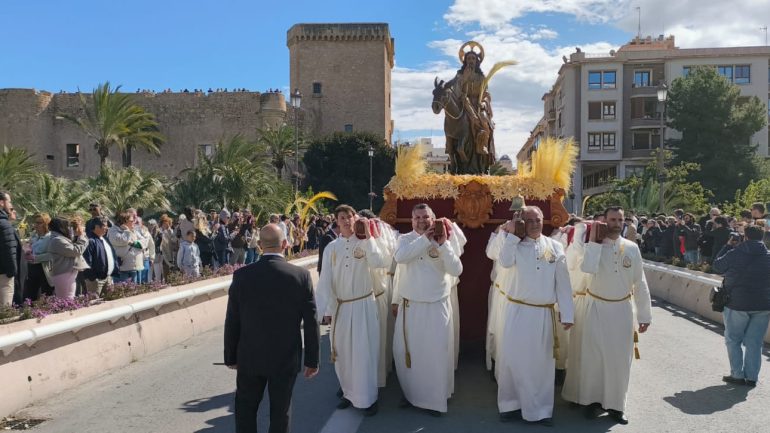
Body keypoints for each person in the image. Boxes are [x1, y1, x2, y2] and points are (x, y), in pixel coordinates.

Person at [224, 224, 320, 433]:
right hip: (285, 357)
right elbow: (311, 320)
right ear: (285, 244)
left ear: (259, 245)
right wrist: (312, 359)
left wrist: (230, 356)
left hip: (250, 355)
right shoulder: (301, 276)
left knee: (246, 408)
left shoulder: (242, 276)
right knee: (280, 411)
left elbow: (233, 320)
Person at [562, 206, 652, 425]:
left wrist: (644, 315)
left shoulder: (631, 247)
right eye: (612, 219)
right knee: (594, 358)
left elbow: (639, 282)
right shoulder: (592, 247)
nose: (616, 223)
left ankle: (616, 406)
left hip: (621, 310)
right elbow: (587, 269)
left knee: (619, 360)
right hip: (595, 308)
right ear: (604, 221)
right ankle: (592, 401)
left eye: (620, 219)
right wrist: (593, 241)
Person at [496, 206, 574, 425]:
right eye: (528, 220)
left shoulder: (556, 247)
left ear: (543, 221)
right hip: (518, 311)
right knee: (513, 359)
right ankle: (510, 405)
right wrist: (512, 234)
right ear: (521, 222)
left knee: (541, 365)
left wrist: (567, 313)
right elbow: (504, 262)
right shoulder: (513, 245)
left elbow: (563, 284)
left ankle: (540, 410)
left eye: (537, 219)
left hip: (543, 314)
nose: (534, 224)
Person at [392, 203, 463, 416]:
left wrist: (442, 246)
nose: (422, 221)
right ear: (412, 220)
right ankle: (411, 394)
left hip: (436, 307)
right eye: (417, 217)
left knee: (435, 355)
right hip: (410, 307)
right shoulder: (404, 240)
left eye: (426, 217)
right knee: (408, 354)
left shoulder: (444, 241)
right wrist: (424, 240)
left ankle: (435, 400)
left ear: (433, 219)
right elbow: (400, 258)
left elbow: (456, 269)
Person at [316, 205, 388, 415]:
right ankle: (349, 393)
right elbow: (325, 281)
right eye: (342, 218)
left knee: (364, 352)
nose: (346, 221)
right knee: (344, 354)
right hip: (341, 308)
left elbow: (380, 262)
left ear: (356, 218)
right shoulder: (332, 247)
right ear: (336, 222)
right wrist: (324, 310)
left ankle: (369, 398)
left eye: (350, 216)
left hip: (364, 304)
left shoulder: (366, 241)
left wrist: (368, 238)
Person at [713, 225, 770, 387]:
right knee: (755, 342)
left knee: (733, 339)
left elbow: (717, 266)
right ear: (762, 237)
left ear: (744, 237)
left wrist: (728, 245)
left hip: (737, 303)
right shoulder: (768, 256)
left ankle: (737, 374)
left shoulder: (735, 252)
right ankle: (752, 377)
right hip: (763, 305)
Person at [47, 217, 89, 299]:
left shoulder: (60, 238)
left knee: (68, 300)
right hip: (64, 275)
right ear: (62, 227)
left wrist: (78, 235)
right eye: (68, 226)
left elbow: (73, 245)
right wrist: (82, 236)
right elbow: (76, 251)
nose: (70, 228)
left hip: (66, 274)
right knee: (67, 301)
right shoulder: (57, 240)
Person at [82, 216, 120, 296]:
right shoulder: (90, 241)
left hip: (108, 278)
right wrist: (93, 278)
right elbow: (87, 261)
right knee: (94, 304)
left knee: (111, 303)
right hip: (96, 281)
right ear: (96, 227)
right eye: (104, 226)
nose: (107, 228)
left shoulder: (104, 239)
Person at [108, 211, 147, 284]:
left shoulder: (133, 230)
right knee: (122, 292)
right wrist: (126, 231)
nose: (134, 223)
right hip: (122, 268)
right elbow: (123, 240)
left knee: (135, 292)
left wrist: (134, 243)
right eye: (131, 221)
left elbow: (144, 241)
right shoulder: (113, 230)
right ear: (125, 221)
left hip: (134, 267)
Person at [23, 212, 54, 301]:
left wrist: (36, 258)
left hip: (44, 270)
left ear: (46, 224)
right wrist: (27, 250)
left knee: (46, 296)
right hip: (32, 268)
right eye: (35, 222)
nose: (36, 225)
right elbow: (29, 248)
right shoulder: (34, 236)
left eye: (39, 223)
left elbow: (52, 255)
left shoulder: (50, 237)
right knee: (30, 296)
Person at [0, 191, 20, 306]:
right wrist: (12, 271)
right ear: (2, 203)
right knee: (5, 311)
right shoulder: (4, 224)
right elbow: (9, 249)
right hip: (4, 275)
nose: (11, 205)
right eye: (9, 201)